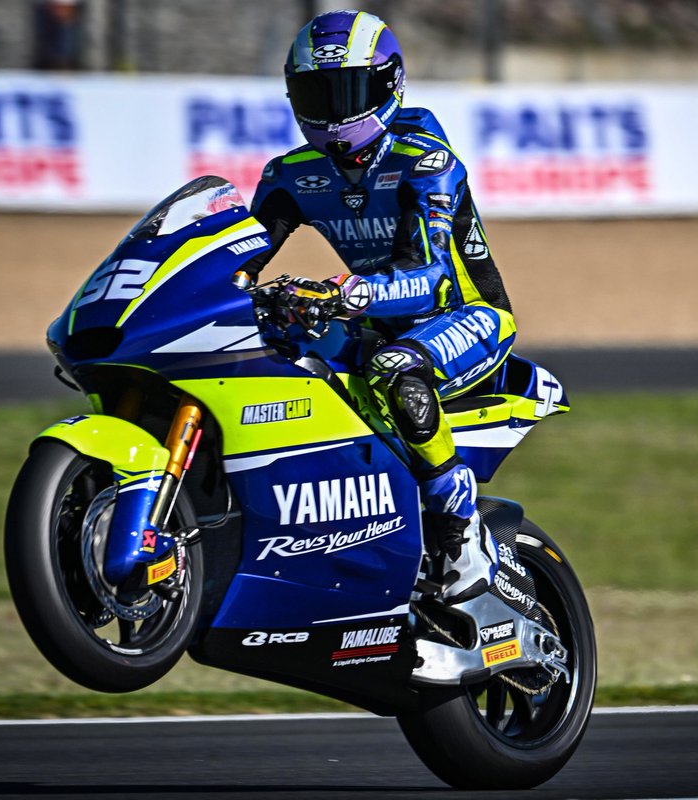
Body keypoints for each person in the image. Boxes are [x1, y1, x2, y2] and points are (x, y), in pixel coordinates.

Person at [242, 10, 511, 604]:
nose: (335, 113)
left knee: (395, 367)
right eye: (318, 94)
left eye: (350, 93)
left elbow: (430, 274)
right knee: (275, 354)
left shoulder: (427, 162)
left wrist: (346, 292)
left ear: (389, 86)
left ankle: (459, 527)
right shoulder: (289, 175)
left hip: (464, 316)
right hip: (370, 320)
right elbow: (239, 255)